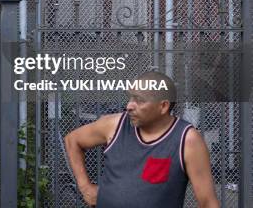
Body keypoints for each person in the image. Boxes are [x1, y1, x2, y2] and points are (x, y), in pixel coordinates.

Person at [64, 72, 219, 208]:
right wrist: (85, 187)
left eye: (140, 100)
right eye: (131, 97)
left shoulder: (187, 140)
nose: (129, 105)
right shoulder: (114, 125)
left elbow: (208, 202)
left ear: (163, 106)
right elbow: (73, 140)